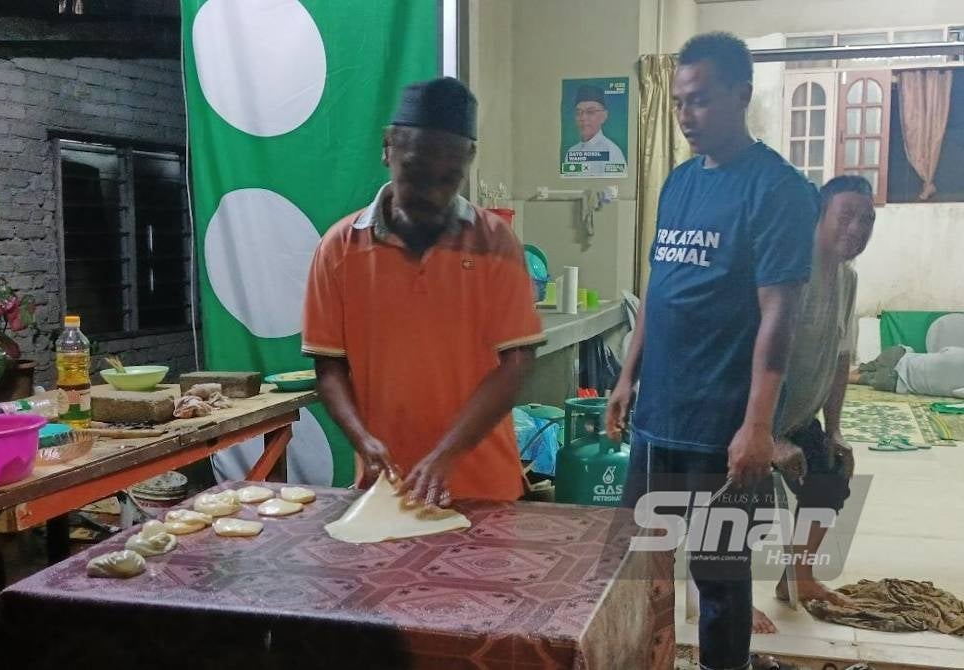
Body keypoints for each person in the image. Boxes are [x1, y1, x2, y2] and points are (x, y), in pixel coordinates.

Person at [605, 33, 818, 670]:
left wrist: (758, 426)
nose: (686, 116)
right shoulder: (678, 183)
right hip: (657, 419)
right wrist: (626, 377)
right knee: (633, 560)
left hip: (721, 426)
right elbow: (658, 288)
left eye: (698, 102)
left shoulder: (778, 190)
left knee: (719, 579)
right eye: (677, 103)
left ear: (740, 96)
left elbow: (780, 316)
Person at [302, 77, 545, 506]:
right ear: (387, 148)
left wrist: (447, 454)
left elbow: (517, 365)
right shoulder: (339, 250)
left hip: (483, 487)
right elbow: (329, 368)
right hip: (387, 490)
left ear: (468, 161)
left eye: (449, 178)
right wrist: (361, 439)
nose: (431, 193)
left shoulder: (496, 244)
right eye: (414, 172)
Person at [751, 175, 876, 635]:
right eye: (847, 215)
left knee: (830, 473)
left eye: (867, 219)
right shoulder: (788, 269)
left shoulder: (847, 279)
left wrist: (835, 428)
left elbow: (841, 357)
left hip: (798, 415)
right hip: (748, 416)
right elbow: (750, 350)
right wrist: (766, 435)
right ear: (819, 216)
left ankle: (798, 579)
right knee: (750, 499)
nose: (857, 228)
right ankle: (725, 595)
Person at [851, 345, 964, 398]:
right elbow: (957, 393)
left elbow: (943, 351)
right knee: (861, 379)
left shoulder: (958, 351)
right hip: (894, 381)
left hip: (897, 355)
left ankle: (854, 369)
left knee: (866, 367)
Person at [564, 84, 627, 176]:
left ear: (604, 116)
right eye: (578, 112)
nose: (583, 117)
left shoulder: (612, 152)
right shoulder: (572, 152)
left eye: (590, 112)